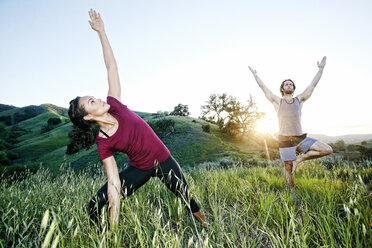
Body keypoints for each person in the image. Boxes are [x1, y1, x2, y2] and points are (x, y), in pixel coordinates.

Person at [68, 9, 206, 232]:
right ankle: (100, 236)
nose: (98, 99)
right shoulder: (103, 142)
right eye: (92, 102)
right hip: (139, 169)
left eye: (93, 97)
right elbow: (114, 184)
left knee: (187, 198)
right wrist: (113, 225)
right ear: (88, 116)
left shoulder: (116, 105)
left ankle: (207, 226)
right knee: (94, 204)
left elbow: (112, 67)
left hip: (163, 161)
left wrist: (101, 32)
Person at [248, 56, 333, 190]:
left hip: (300, 138)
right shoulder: (277, 101)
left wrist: (321, 69)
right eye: (286, 84)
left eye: (291, 84)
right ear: (282, 88)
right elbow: (263, 87)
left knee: (327, 149)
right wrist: (255, 75)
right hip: (284, 139)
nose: (289, 85)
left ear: (293, 88)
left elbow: (312, 85)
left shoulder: (300, 100)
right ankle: (291, 193)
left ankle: (299, 160)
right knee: (288, 168)